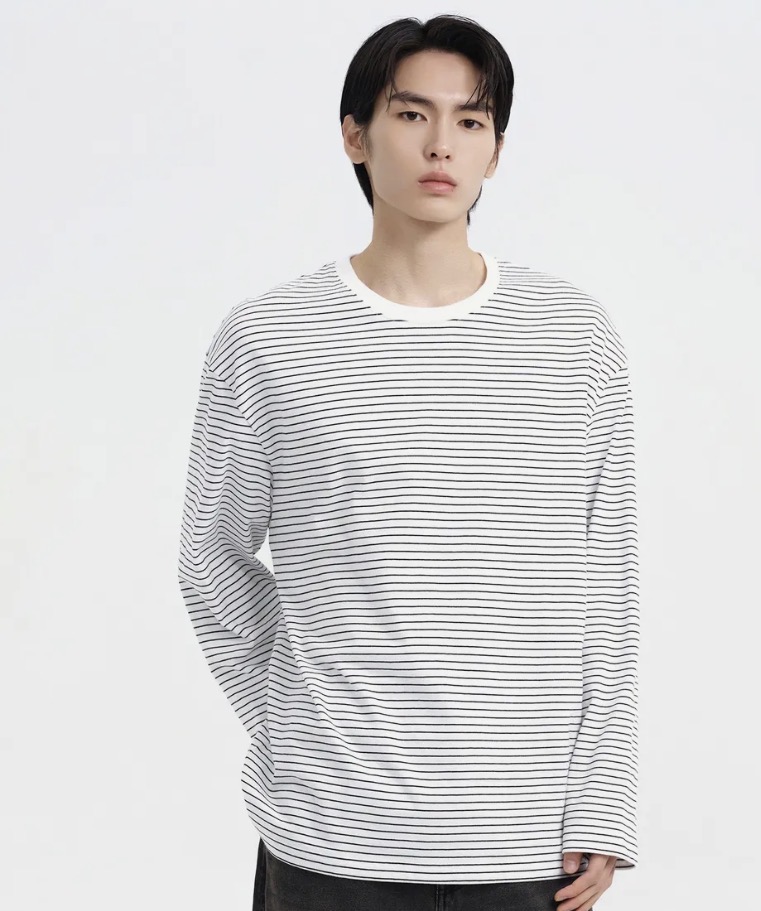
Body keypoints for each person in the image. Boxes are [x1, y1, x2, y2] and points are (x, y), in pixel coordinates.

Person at [177, 13, 639, 911]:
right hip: (330, 838)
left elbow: (606, 580)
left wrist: (603, 795)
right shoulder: (269, 338)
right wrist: (295, 719)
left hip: (525, 838)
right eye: (411, 113)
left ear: (496, 150)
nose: (441, 145)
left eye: (471, 120)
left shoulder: (572, 337)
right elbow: (211, 554)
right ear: (356, 135)